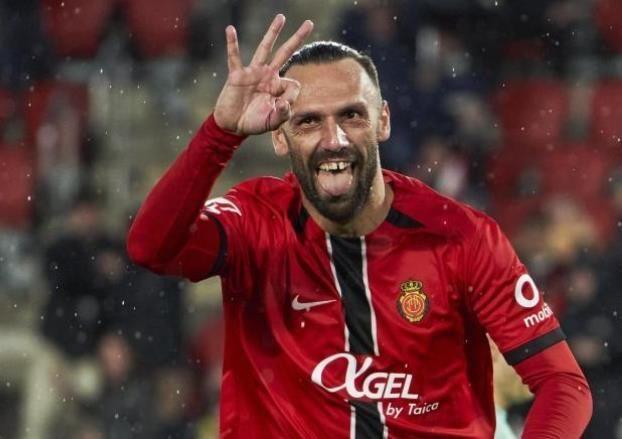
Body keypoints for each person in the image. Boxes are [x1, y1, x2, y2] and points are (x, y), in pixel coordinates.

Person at [127, 15, 592, 438]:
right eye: (309, 122)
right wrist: (220, 134)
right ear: (281, 138)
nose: (334, 140)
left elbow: (563, 384)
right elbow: (151, 248)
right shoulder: (254, 221)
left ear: (382, 121)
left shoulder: (461, 236)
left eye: (351, 115)